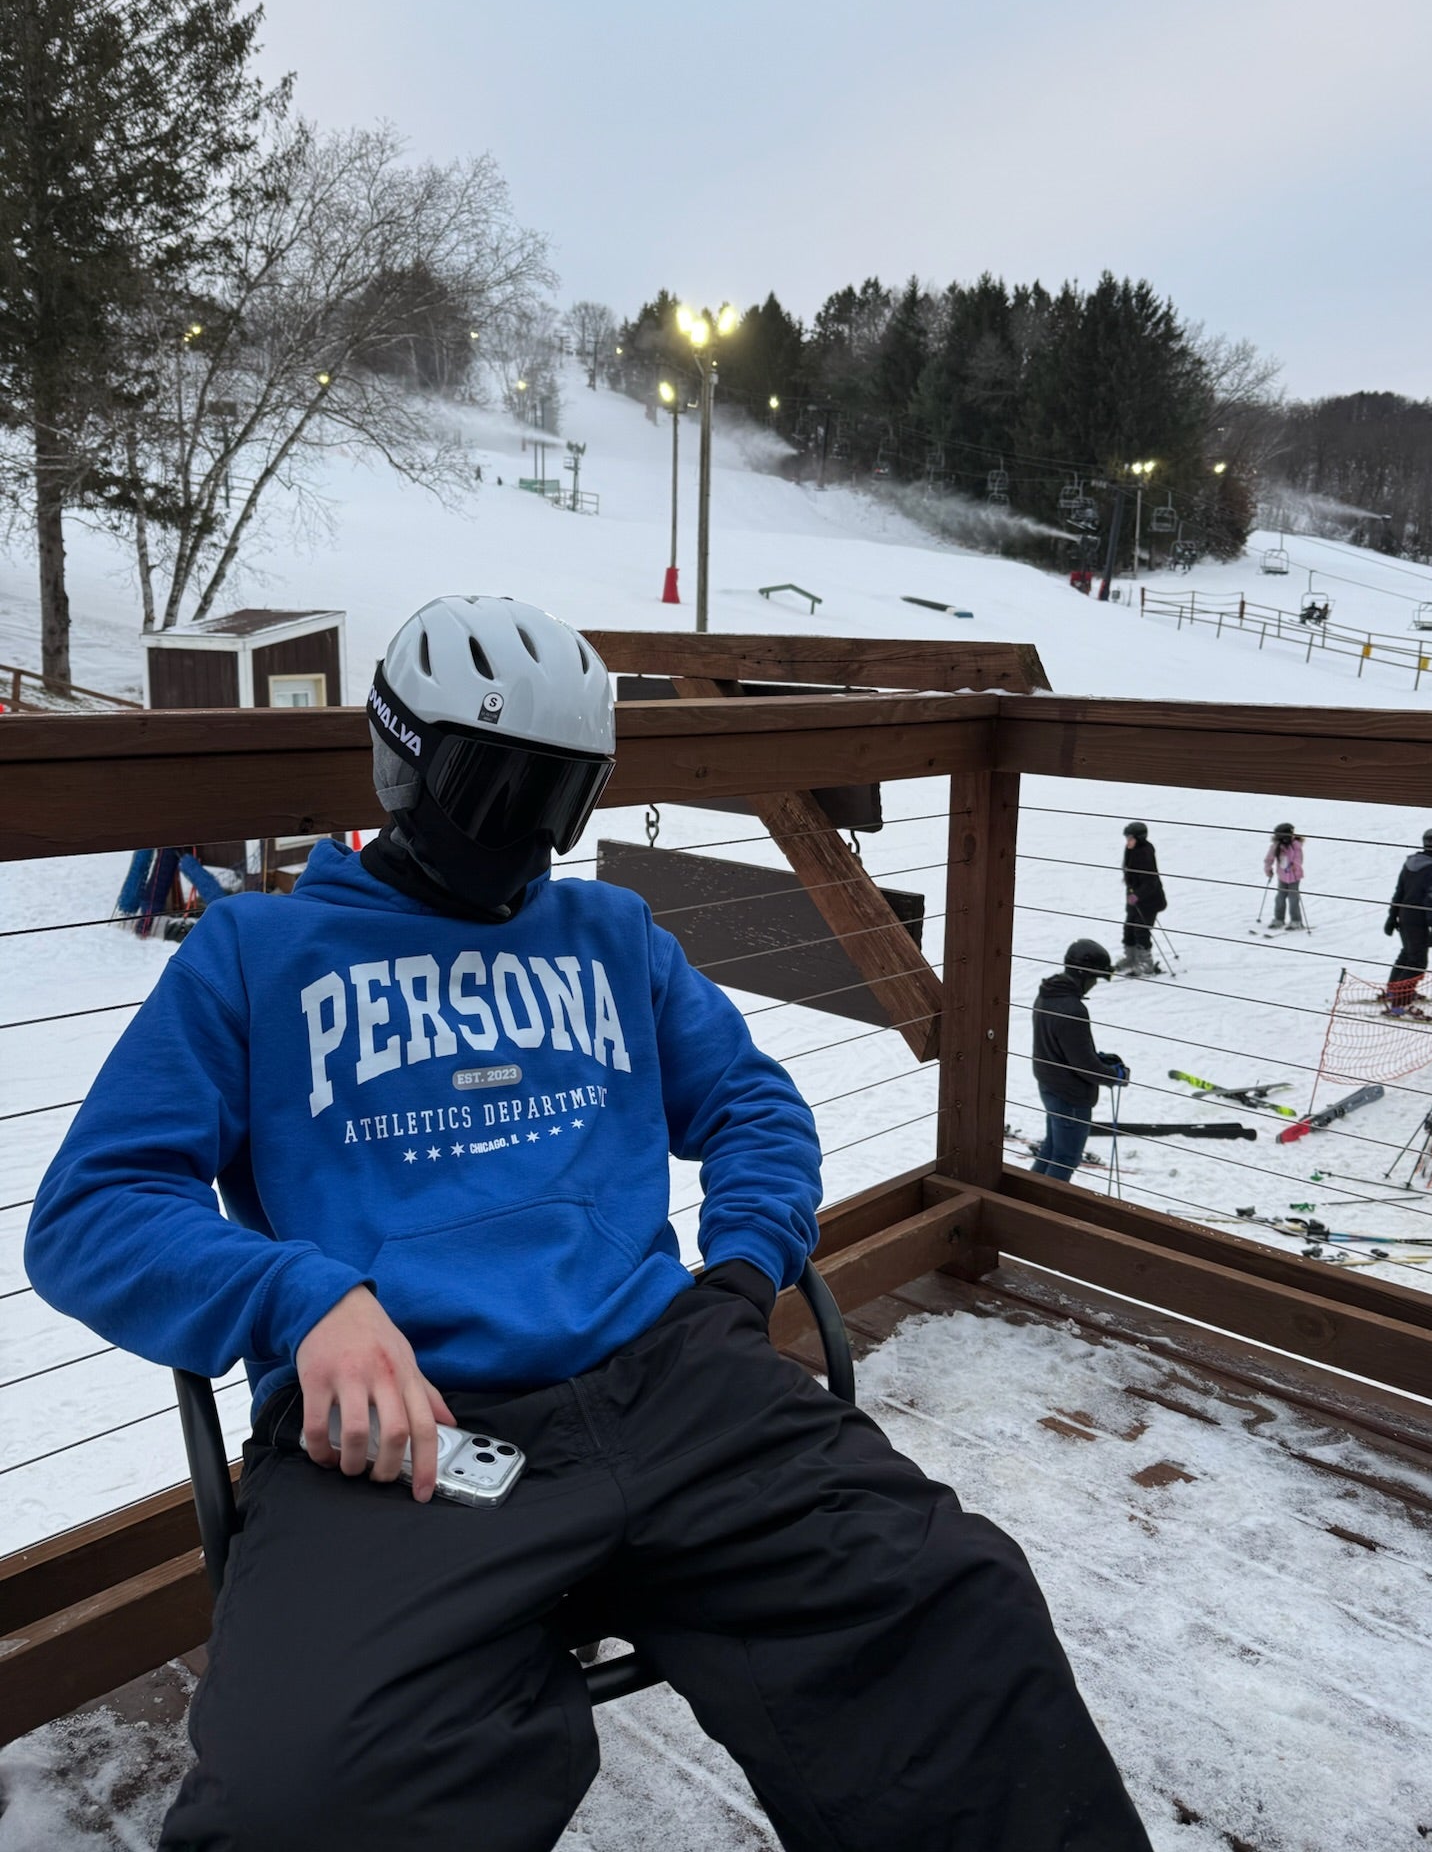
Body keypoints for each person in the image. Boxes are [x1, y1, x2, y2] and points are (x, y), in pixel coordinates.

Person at [26, 594, 1151, 1852]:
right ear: (404, 762)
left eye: (561, 798)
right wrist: (302, 1299)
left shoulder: (612, 935)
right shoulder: (258, 952)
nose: (526, 836)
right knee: (301, 1798)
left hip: (678, 1379)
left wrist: (740, 1271)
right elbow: (93, 1208)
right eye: (493, 788)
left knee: (957, 1610)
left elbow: (755, 1107)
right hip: (413, 1427)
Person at [1030, 939, 1128, 1180]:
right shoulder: (1073, 1009)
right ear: (1084, 975)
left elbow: (1061, 1049)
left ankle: (1024, 1199)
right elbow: (1084, 1066)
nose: (1095, 985)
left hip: (1050, 1086)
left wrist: (1100, 1058)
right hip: (1070, 1097)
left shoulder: (1047, 996)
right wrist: (1115, 1075)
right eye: (1096, 978)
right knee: (1065, 1159)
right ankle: (1041, 1211)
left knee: (1051, 1151)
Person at [1383, 826, 1432, 1017]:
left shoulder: (1410, 863)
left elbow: (1399, 892)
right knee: (1417, 961)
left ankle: (1394, 990)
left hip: (1404, 915)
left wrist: (1392, 916)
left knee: (1407, 953)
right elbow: (1431, 900)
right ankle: (1400, 1003)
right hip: (1418, 919)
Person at [1115, 821, 1166, 977]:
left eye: (1130, 838)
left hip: (1149, 900)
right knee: (1129, 927)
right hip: (1133, 897)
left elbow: (1151, 881)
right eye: (1127, 838)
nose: (1127, 841)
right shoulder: (1131, 849)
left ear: (1139, 838)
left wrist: (1138, 895)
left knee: (1141, 929)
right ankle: (1131, 959)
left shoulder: (1145, 853)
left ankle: (1146, 963)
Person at [1263, 822, 1305, 931]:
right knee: (1280, 898)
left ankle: (1296, 921)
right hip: (1282, 876)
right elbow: (1269, 858)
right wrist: (1268, 869)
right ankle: (1279, 919)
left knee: (1293, 899)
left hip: (1294, 877)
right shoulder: (1277, 845)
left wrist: (1295, 866)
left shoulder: (1295, 845)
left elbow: (1298, 858)